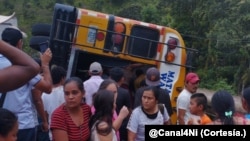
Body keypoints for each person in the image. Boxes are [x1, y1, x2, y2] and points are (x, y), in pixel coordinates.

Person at [0, 27, 53, 141]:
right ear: (19, 43)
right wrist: (45, 65)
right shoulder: (22, 68)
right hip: (22, 125)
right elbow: (47, 88)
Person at [50, 77, 91, 141]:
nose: (70, 97)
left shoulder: (86, 109)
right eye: (67, 93)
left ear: (83, 93)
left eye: (74, 93)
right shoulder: (58, 116)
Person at [42, 65, 66, 140]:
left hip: (52, 131)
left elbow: (45, 114)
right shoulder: (67, 93)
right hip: (65, 130)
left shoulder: (44, 94)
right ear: (62, 78)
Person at [109, 67, 131, 141]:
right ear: (122, 79)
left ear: (110, 78)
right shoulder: (125, 92)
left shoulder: (103, 89)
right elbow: (129, 111)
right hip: (121, 126)